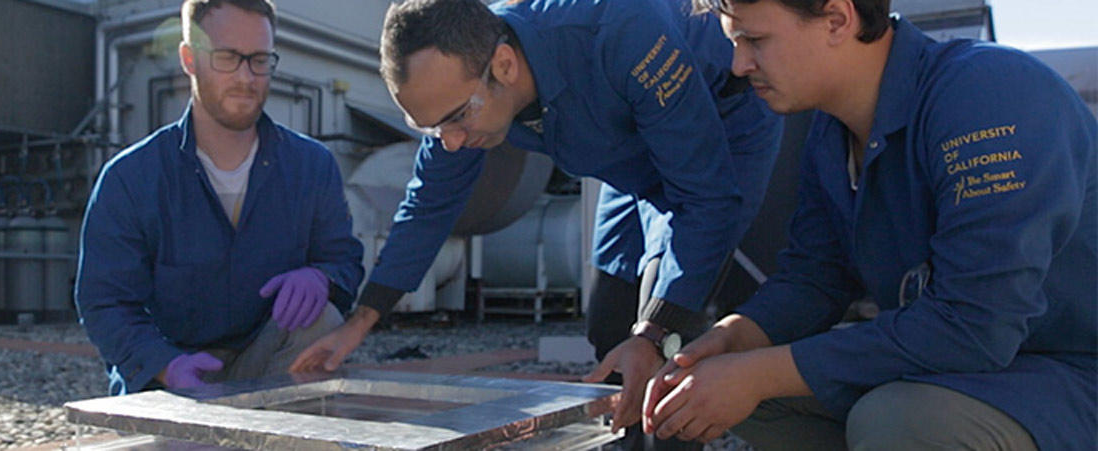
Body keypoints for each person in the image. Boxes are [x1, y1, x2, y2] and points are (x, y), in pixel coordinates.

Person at [290, 0, 783, 443]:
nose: (452, 141)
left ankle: (672, 431)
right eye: (432, 127)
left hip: (713, 131)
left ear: (504, 65)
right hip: (624, 161)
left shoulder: (623, 29)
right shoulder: (463, 88)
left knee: (673, 333)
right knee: (610, 322)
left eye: (457, 119)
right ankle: (625, 434)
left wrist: (654, 332)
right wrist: (360, 323)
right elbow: (428, 204)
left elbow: (704, 195)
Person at [641, 0, 1097, 449]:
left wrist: (759, 371)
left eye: (755, 40)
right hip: (984, 371)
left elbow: (976, 324)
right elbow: (814, 278)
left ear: (837, 19)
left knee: (899, 420)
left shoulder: (989, 92)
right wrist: (731, 341)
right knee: (732, 392)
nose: (739, 64)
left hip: (1070, 372)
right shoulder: (832, 131)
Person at [75, 0, 363, 395]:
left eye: (260, 60)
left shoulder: (312, 168)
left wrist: (322, 276)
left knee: (321, 319)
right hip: (168, 379)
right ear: (190, 59)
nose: (246, 77)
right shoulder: (132, 178)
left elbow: (344, 259)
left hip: (268, 366)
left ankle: (282, 433)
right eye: (228, 57)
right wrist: (165, 365)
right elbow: (104, 301)